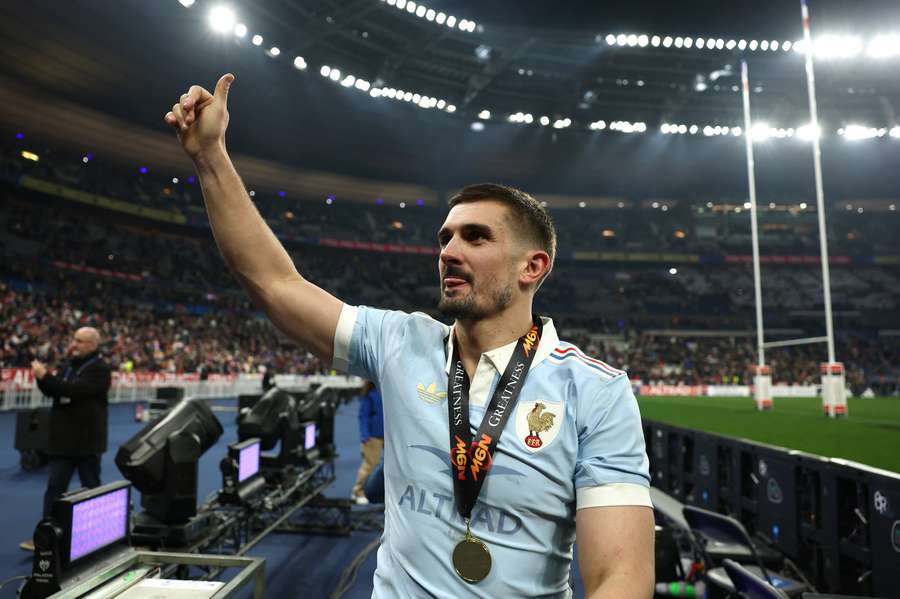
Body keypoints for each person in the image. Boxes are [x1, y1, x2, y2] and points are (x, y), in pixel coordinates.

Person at [164, 74, 654, 597]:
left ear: (533, 266)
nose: (448, 251)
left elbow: (621, 576)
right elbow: (274, 282)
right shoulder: (401, 341)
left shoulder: (595, 390)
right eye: (445, 238)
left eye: (475, 237)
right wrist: (211, 155)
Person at [19, 326, 112, 551]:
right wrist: (42, 379)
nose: (74, 344)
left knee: (91, 488)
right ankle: (45, 536)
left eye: (79, 341)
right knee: (54, 489)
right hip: (64, 441)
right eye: (74, 339)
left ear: (92, 345)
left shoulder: (99, 369)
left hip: (87, 442)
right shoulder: (70, 366)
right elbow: (55, 390)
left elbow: (72, 391)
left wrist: (46, 377)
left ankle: (96, 535)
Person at [352, 381, 384, 505]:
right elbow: (363, 416)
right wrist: (365, 435)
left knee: (393, 465)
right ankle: (358, 492)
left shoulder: (390, 392)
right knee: (370, 464)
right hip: (373, 436)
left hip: (390, 435)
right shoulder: (371, 394)